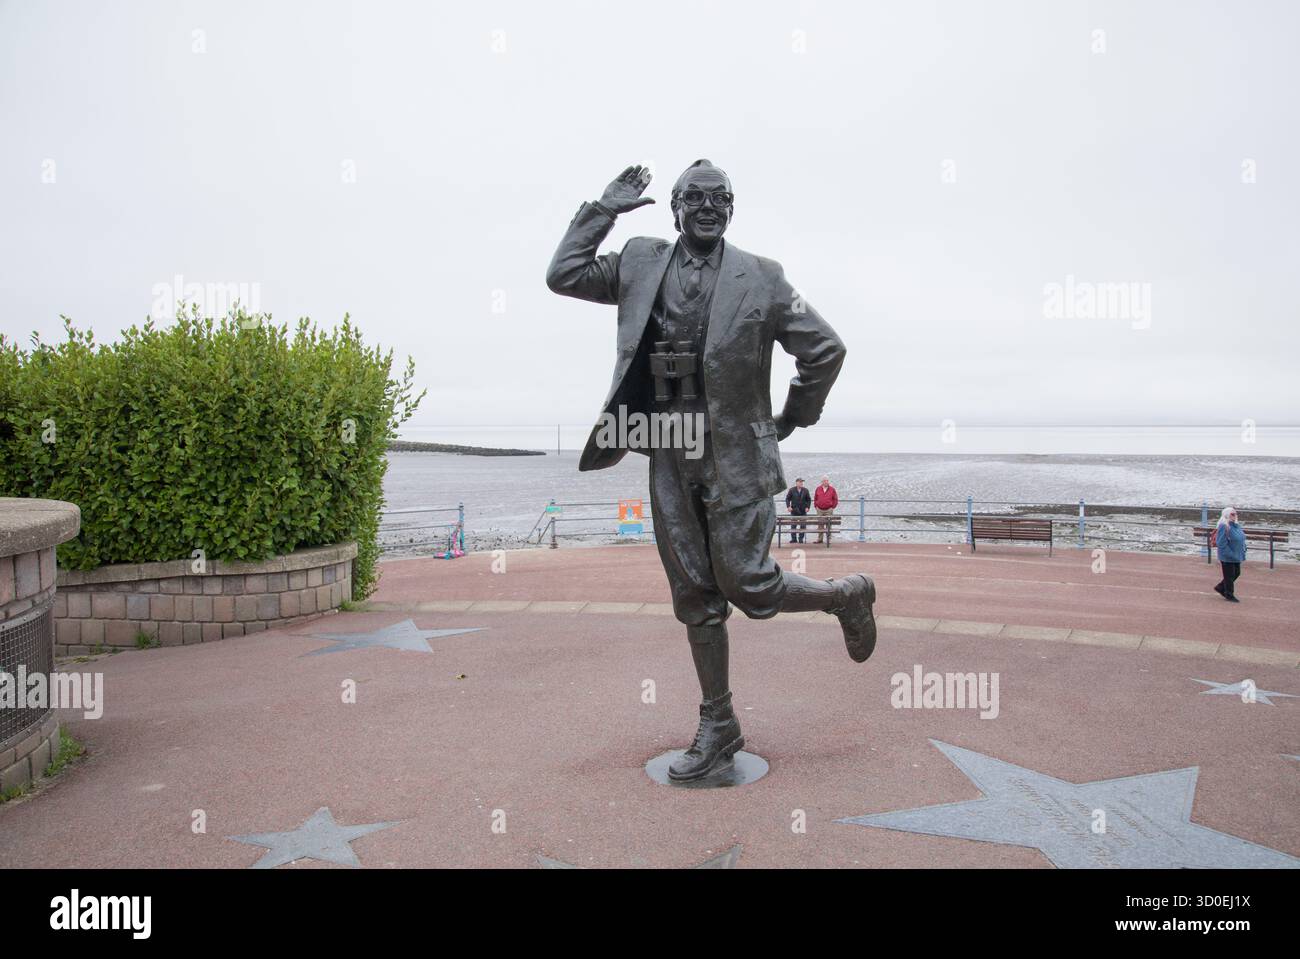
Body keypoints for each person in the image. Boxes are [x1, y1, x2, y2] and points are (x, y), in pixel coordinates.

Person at [546, 160, 878, 782]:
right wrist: (604, 210)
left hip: (737, 457)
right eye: (694, 197)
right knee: (694, 596)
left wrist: (789, 419)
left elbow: (825, 349)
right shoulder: (640, 261)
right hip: (667, 450)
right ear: (674, 207)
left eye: (719, 198)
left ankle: (844, 596)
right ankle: (719, 724)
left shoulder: (766, 278)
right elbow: (563, 274)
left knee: (749, 586)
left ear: (732, 207)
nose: (707, 206)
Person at [1214, 506, 1246, 603]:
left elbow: (1241, 538)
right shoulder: (1224, 526)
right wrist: (1229, 553)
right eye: (1232, 514)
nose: (1235, 516)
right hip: (1227, 556)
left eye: (1235, 514)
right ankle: (1229, 594)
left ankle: (1220, 587)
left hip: (1236, 555)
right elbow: (1221, 542)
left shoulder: (1236, 525)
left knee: (1236, 573)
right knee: (1229, 575)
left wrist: (1244, 549)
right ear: (1227, 515)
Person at [785, 478, 812, 543]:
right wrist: (788, 506)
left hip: (803, 510)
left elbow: (808, 499)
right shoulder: (791, 490)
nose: (801, 483)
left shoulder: (805, 490)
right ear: (796, 483)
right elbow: (787, 499)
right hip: (794, 510)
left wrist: (808, 507)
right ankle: (794, 539)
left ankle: (801, 539)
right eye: (800, 482)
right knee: (793, 525)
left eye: (802, 482)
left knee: (803, 525)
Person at [814, 474, 838, 544]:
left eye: (827, 481)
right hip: (819, 509)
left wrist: (832, 507)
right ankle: (820, 539)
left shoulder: (832, 489)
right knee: (820, 524)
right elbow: (815, 498)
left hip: (828, 510)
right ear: (822, 482)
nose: (826, 482)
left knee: (829, 524)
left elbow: (835, 499)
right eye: (824, 481)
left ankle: (828, 539)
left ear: (828, 481)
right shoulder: (818, 489)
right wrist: (816, 506)